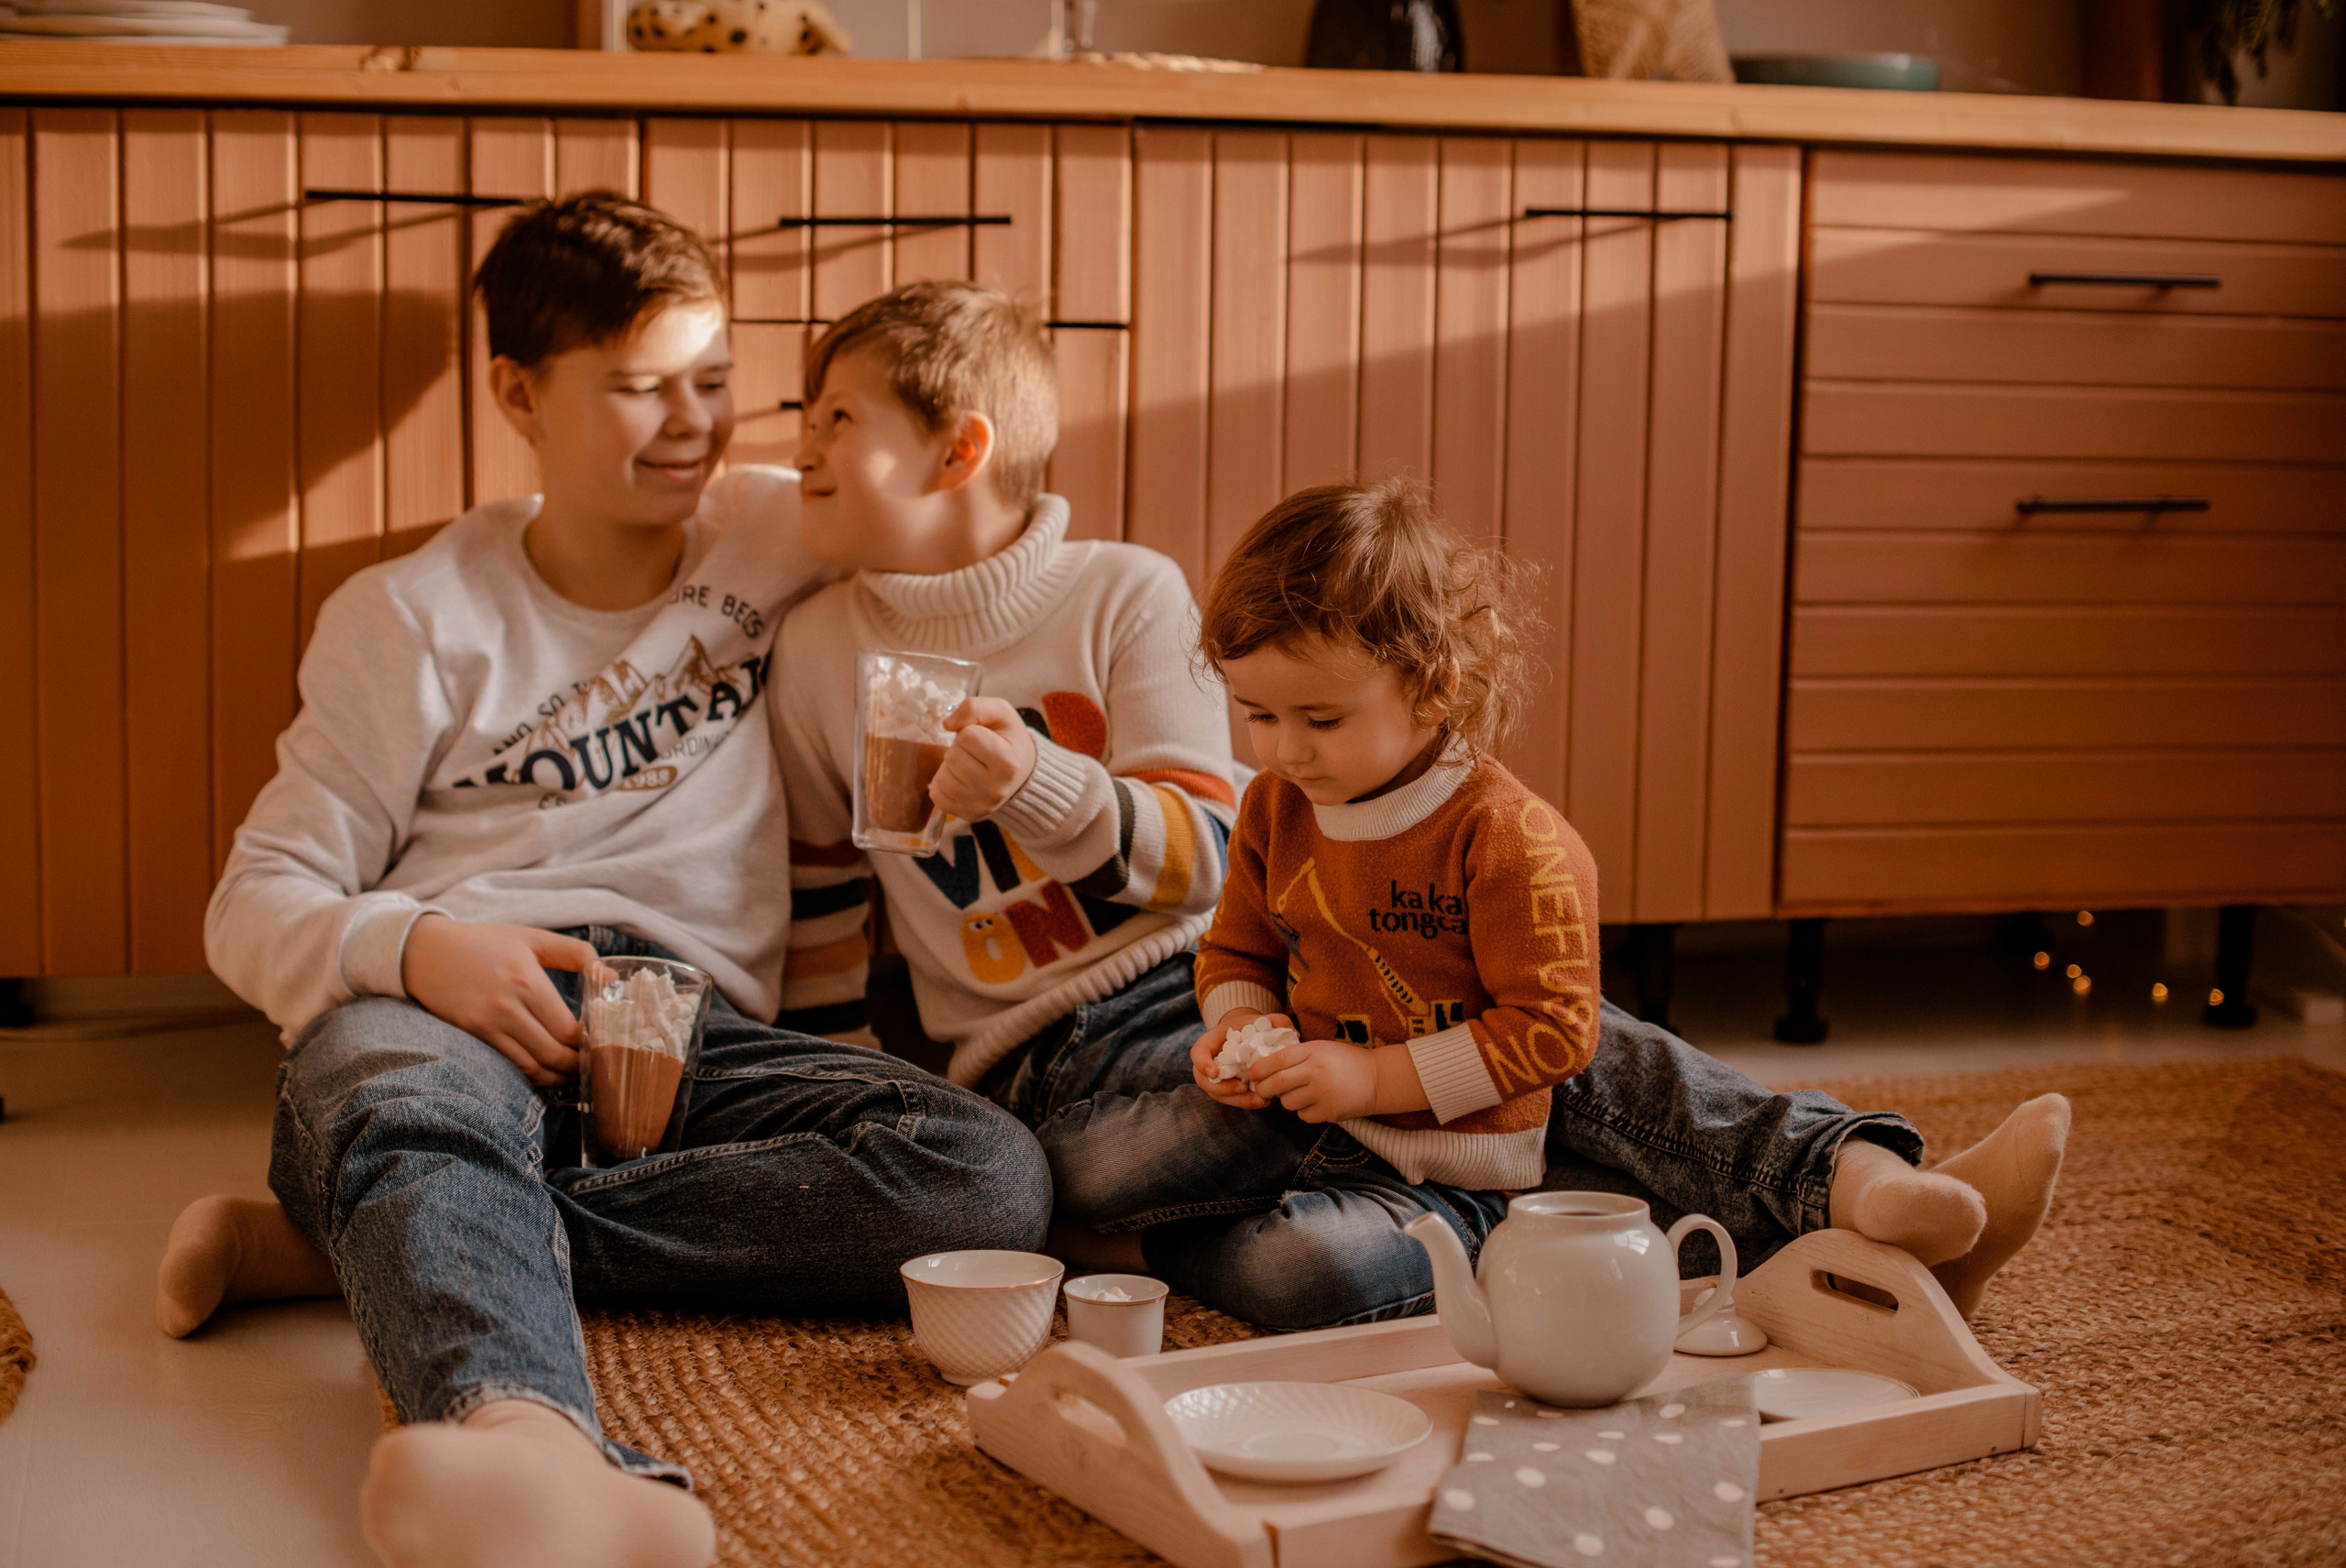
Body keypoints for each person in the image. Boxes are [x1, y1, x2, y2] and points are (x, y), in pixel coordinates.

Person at [773, 289, 2069, 1332]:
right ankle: (1588, 1237)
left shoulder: (1124, 594)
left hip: (1235, 980)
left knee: (1537, 1038)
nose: (797, 443)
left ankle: (1863, 1182)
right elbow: (824, 894)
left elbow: (1216, 865)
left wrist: (1043, 788)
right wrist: (866, 1095)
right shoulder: (820, 647)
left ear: (958, 447)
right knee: (1292, 1132)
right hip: (1058, 1060)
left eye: (835, 414)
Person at [157, 194, 1050, 1568]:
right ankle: (538, 1451)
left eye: (711, 381)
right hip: (447, 1008)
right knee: (398, 1096)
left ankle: (361, 1226)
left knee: (982, 1177)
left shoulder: (775, 525)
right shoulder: (412, 618)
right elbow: (255, 899)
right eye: (639, 389)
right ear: (518, 391)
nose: (692, 422)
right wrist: (421, 951)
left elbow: (965, 502)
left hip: (685, 1023)